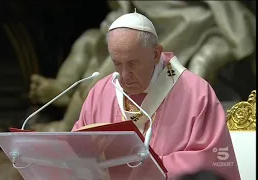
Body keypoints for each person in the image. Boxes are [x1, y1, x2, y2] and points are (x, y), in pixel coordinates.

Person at [71, 12, 240, 180]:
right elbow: (77, 152)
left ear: (155, 54)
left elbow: (211, 161)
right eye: (117, 64)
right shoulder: (101, 92)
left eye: (132, 64)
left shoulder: (196, 92)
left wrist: (145, 169)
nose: (124, 75)